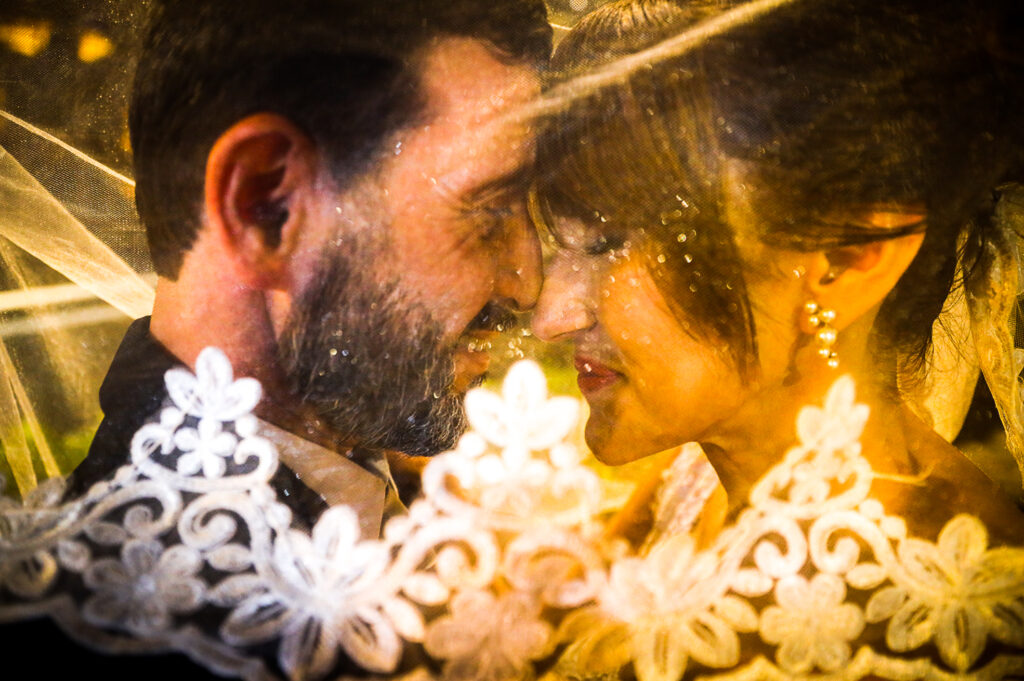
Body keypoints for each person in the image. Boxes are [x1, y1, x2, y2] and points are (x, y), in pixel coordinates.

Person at [0, 1, 552, 678]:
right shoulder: (179, 621)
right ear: (266, 208)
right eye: (488, 209)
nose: (527, 283)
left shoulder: (322, 490)